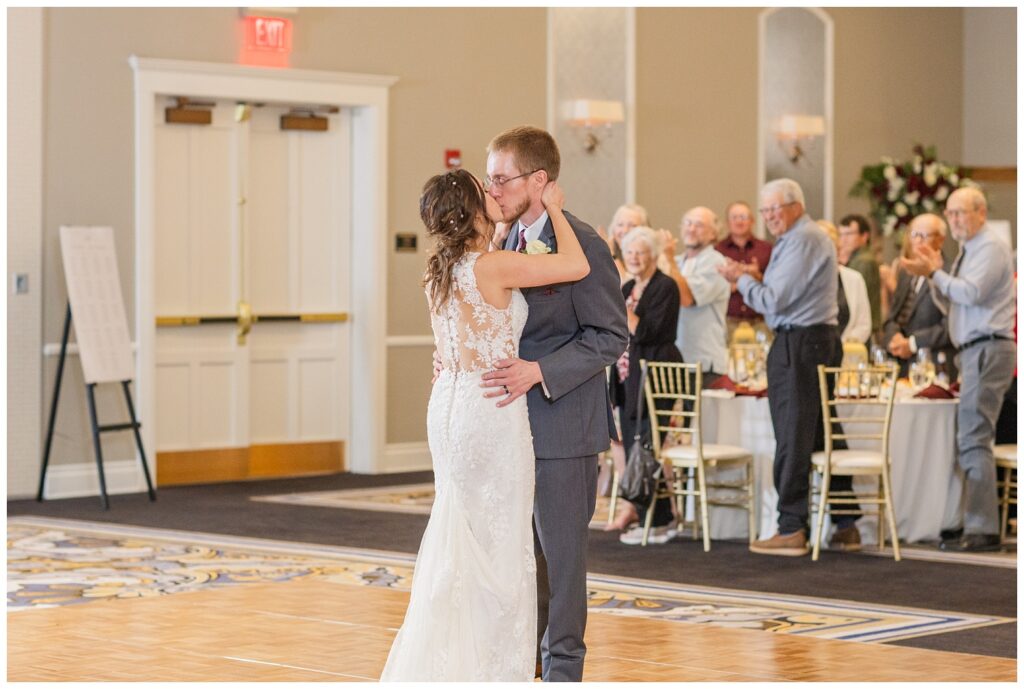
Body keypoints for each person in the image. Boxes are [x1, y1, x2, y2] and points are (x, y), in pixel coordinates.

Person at [381, 169, 591, 681]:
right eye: (485, 190)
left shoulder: (441, 268)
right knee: (501, 544)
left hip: (449, 405)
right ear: (472, 209)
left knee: (461, 532)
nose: (494, 194)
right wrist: (554, 206)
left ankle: (453, 662)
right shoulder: (492, 265)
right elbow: (575, 265)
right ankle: (491, 670)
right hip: (491, 408)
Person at [477, 126, 628, 680]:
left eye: (501, 179)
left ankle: (564, 671)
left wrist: (541, 370)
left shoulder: (582, 243)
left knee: (563, 562)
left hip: (564, 424)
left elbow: (610, 336)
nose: (492, 190)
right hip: (512, 426)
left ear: (538, 180)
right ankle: (529, 667)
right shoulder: (504, 244)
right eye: (490, 179)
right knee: (522, 559)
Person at [717, 178, 860, 556]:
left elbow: (774, 300)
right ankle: (846, 524)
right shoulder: (802, 238)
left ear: (796, 205)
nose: (769, 218)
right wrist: (752, 279)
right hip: (812, 340)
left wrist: (741, 279)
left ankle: (791, 527)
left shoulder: (804, 238)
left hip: (802, 343)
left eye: (774, 210)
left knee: (794, 433)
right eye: (764, 211)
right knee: (821, 433)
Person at [901, 186, 1015, 552]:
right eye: (949, 214)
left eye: (960, 213)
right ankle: (968, 520)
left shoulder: (991, 248)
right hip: (972, 349)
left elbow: (971, 294)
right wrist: (933, 276)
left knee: (974, 437)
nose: (954, 220)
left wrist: (935, 271)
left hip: (988, 347)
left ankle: (982, 529)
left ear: (980, 213)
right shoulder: (968, 251)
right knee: (969, 435)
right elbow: (952, 304)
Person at [607, 226, 683, 544]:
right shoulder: (626, 288)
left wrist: (623, 312)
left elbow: (650, 331)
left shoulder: (666, 287)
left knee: (649, 448)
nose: (634, 258)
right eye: (629, 253)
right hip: (627, 380)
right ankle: (648, 514)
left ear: (653, 254)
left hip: (656, 377)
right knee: (637, 446)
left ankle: (661, 519)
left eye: (640, 252)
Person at [881, 213, 956, 378]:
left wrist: (912, 343)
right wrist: (894, 337)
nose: (918, 241)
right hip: (901, 365)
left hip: (935, 364)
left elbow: (952, 324)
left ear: (940, 239)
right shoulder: (906, 272)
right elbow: (892, 317)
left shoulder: (950, 274)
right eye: (914, 235)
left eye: (924, 235)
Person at [661, 206, 730, 385]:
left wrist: (668, 261)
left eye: (699, 225)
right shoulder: (676, 261)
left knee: (699, 414)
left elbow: (686, 298)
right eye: (688, 223)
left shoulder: (716, 262)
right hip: (674, 359)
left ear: (713, 234)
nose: (691, 229)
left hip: (702, 360)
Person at [715, 201, 773, 343]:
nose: (739, 221)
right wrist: (742, 279)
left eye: (743, 217)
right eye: (734, 217)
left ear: (752, 221)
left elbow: (774, 285)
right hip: (728, 321)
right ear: (728, 222)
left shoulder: (767, 249)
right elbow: (714, 286)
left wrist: (755, 276)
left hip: (760, 321)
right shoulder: (718, 251)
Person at [817, 220, 872, 345]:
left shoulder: (854, 278)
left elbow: (863, 324)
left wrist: (840, 347)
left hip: (848, 354)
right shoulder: (802, 281)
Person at [838, 213, 882, 337]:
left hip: (864, 331)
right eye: (840, 234)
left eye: (849, 234)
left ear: (864, 236)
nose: (843, 239)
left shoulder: (864, 261)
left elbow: (854, 298)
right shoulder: (852, 259)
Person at [601, 203, 650, 285]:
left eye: (632, 226)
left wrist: (612, 256)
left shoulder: (651, 257)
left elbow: (628, 288)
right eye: (620, 225)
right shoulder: (605, 254)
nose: (625, 230)